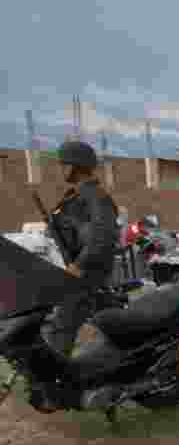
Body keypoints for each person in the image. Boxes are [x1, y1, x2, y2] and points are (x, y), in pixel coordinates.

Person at [43, 140, 118, 358]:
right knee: (113, 324)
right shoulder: (73, 196)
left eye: (63, 164)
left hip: (86, 274)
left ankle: (53, 381)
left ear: (74, 166)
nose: (60, 169)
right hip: (81, 271)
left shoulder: (96, 197)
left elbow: (102, 237)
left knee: (61, 329)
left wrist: (79, 265)